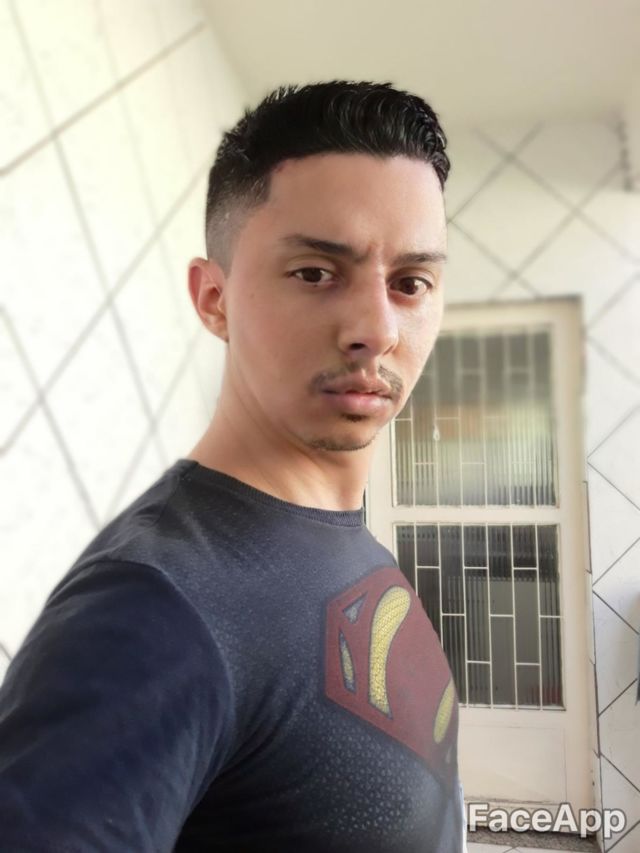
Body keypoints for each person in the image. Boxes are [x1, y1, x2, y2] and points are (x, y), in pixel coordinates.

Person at [0, 80, 466, 852]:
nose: (377, 328)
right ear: (214, 298)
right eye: (316, 272)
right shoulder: (154, 609)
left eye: (410, 283)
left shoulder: (345, 540)